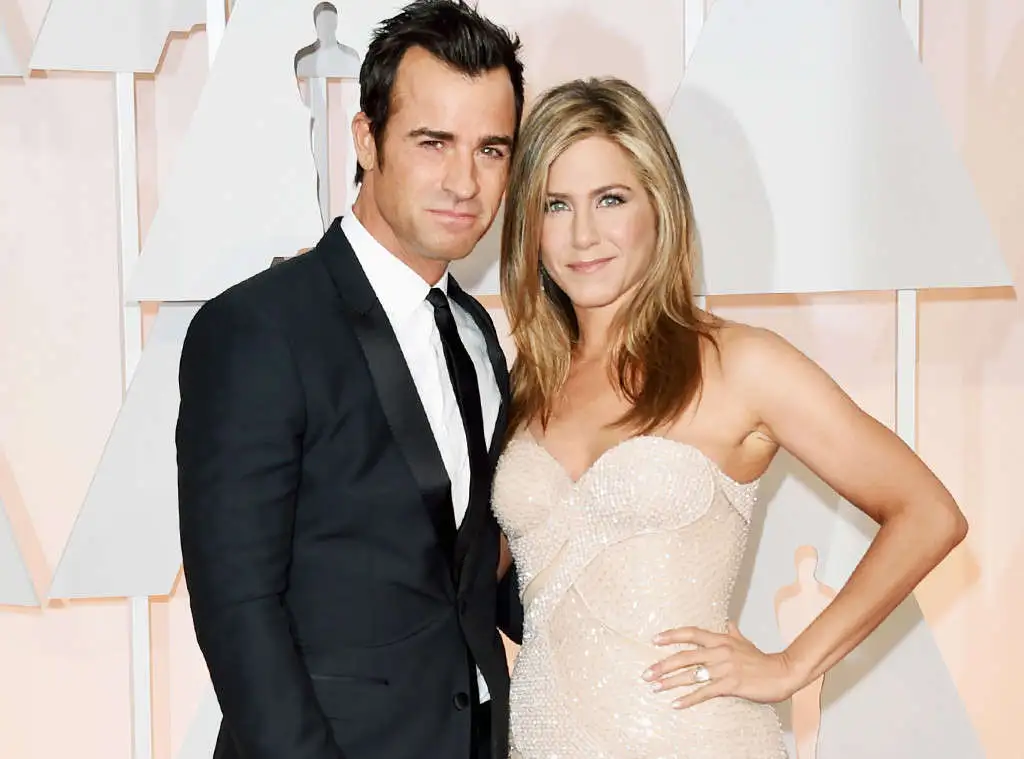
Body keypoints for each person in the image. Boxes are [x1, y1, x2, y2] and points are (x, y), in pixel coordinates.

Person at [493, 77, 968, 758]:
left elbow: (928, 513)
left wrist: (791, 665)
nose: (583, 234)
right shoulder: (527, 382)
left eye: (610, 199)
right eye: (555, 205)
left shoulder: (738, 363)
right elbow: (471, 575)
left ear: (659, 205)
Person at [176, 3, 525, 758]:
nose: (464, 181)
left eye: (491, 150)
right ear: (367, 140)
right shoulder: (258, 329)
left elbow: (467, 571)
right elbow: (239, 612)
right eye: (433, 142)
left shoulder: (476, 333)